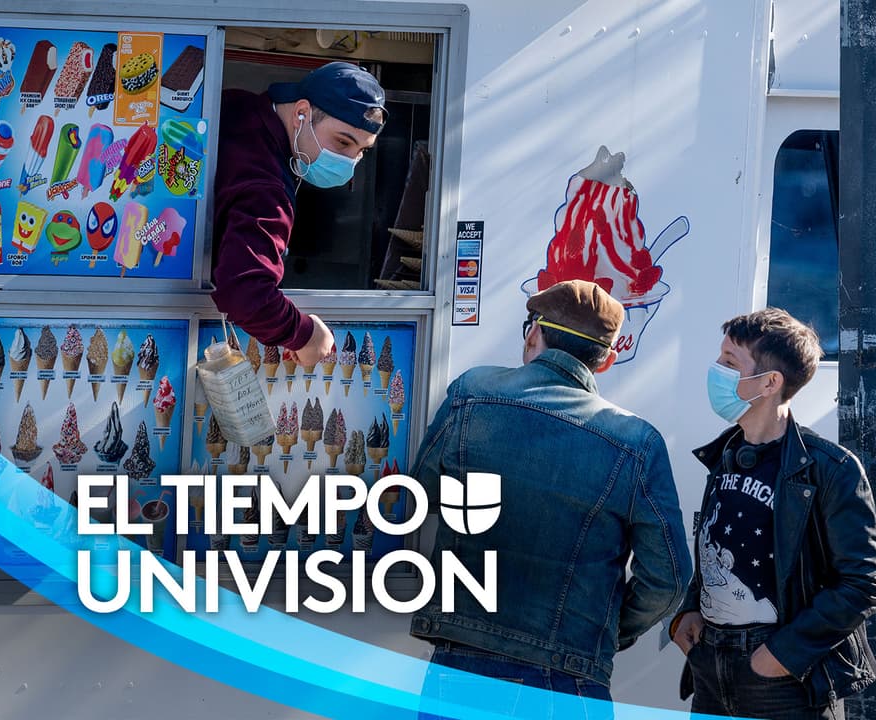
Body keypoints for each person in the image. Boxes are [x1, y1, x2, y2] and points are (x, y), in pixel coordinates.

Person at [409, 279, 691, 710]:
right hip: (570, 676)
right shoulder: (637, 443)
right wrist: (606, 629)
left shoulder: (472, 394)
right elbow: (668, 578)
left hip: (463, 665)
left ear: (533, 334)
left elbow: (415, 499)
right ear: (607, 360)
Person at [670, 308, 876, 719]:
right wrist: (691, 608)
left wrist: (782, 654)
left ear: (770, 383)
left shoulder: (831, 469)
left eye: (730, 362)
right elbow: (717, 543)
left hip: (782, 678)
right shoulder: (726, 454)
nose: (716, 370)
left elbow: (865, 582)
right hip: (710, 666)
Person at [211, 62, 385, 366]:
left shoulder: (238, 104)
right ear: (301, 113)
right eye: (342, 141)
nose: (349, 161)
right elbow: (246, 294)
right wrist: (304, 334)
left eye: (362, 151)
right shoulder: (268, 189)